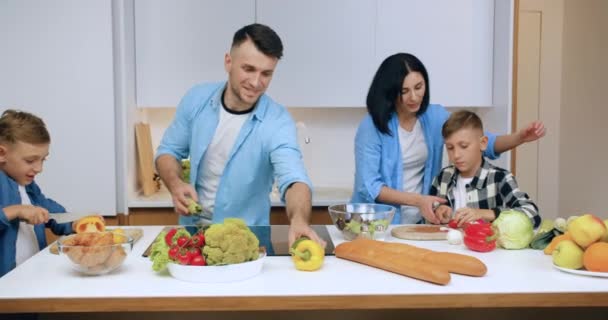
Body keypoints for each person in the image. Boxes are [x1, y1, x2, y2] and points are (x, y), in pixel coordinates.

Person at [155, 23, 325, 246]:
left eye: (266, 74)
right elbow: (167, 152)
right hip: (191, 237)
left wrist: (300, 220)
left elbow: (294, 179)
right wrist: (175, 184)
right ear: (229, 62)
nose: (256, 82)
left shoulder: (278, 121)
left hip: (247, 242)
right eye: (249, 69)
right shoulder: (196, 99)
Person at [352, 53, 545, 225]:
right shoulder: (372, 126)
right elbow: (370, 187)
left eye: (419, 87)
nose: (414, 97)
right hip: (376, 222)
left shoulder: (434, 117)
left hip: (417, 223)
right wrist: (419, 200)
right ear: (391, 91)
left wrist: (519, 137)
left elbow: (479, 140)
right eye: (404, 91)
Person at [429, 110, 540, 228]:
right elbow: (430, 213)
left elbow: (532, 214)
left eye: (464, 146)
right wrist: (438, 212)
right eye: (450, 148)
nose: (456, 155)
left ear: (483, 143)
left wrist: (487, 213)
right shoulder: (443, 177)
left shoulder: (500, 178)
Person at [0, 109, 74, 277]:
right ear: (1, 154)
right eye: (30, 161)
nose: (39, 168)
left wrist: (73, 223)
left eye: (43, 159)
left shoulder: (27, 185)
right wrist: (16, 211)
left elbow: (48, 210)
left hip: (31, 275)